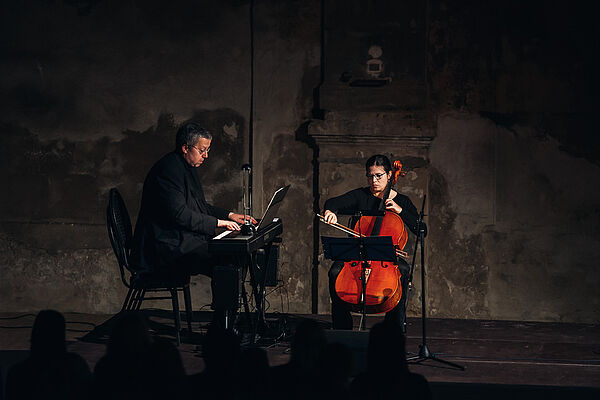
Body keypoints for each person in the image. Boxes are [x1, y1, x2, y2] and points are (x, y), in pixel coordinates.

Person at [131, 122, 256, 322]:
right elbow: (180, 215)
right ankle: (223, 324)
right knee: (225, 258)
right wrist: (219, 223)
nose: (206, 155)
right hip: (163, 247)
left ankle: (228, 318)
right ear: (185, 148)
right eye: (202, 150)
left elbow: (198, 206)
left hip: (177, 239)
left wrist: (230, 215)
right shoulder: (168, 171)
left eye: (207, 150)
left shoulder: (185, 166)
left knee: (234, 256)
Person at [322, 154, 425, 331]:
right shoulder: (361, 196)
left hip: (386, 257)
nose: (374, 180)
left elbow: (421, 229)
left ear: (390, 175)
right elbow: (332, 202)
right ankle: (342, 326)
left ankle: (394, 326)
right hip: (357, 255)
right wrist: (330, 211)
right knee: (335, 272)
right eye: (370, 176)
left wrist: (400, 211)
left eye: (379, 176)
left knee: (403, 270)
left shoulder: (402, 201)